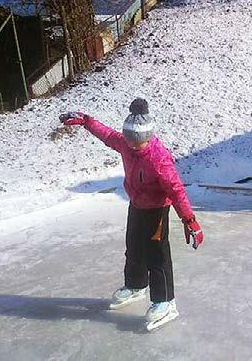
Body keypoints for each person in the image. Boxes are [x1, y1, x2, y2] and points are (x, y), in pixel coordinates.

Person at [59, 98, 204, 331]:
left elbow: (176, 190)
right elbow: (107, 135)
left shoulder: (159, 159)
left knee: (157, 255)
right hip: (136, 205)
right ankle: (136, 285)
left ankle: (166, 301)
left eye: (138, 143)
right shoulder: (126, 143)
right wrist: (86, 121)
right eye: (130, 141)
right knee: (134, 247)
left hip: (157, 210)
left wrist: (190, 220)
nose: (133, 147)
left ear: (148, 139)